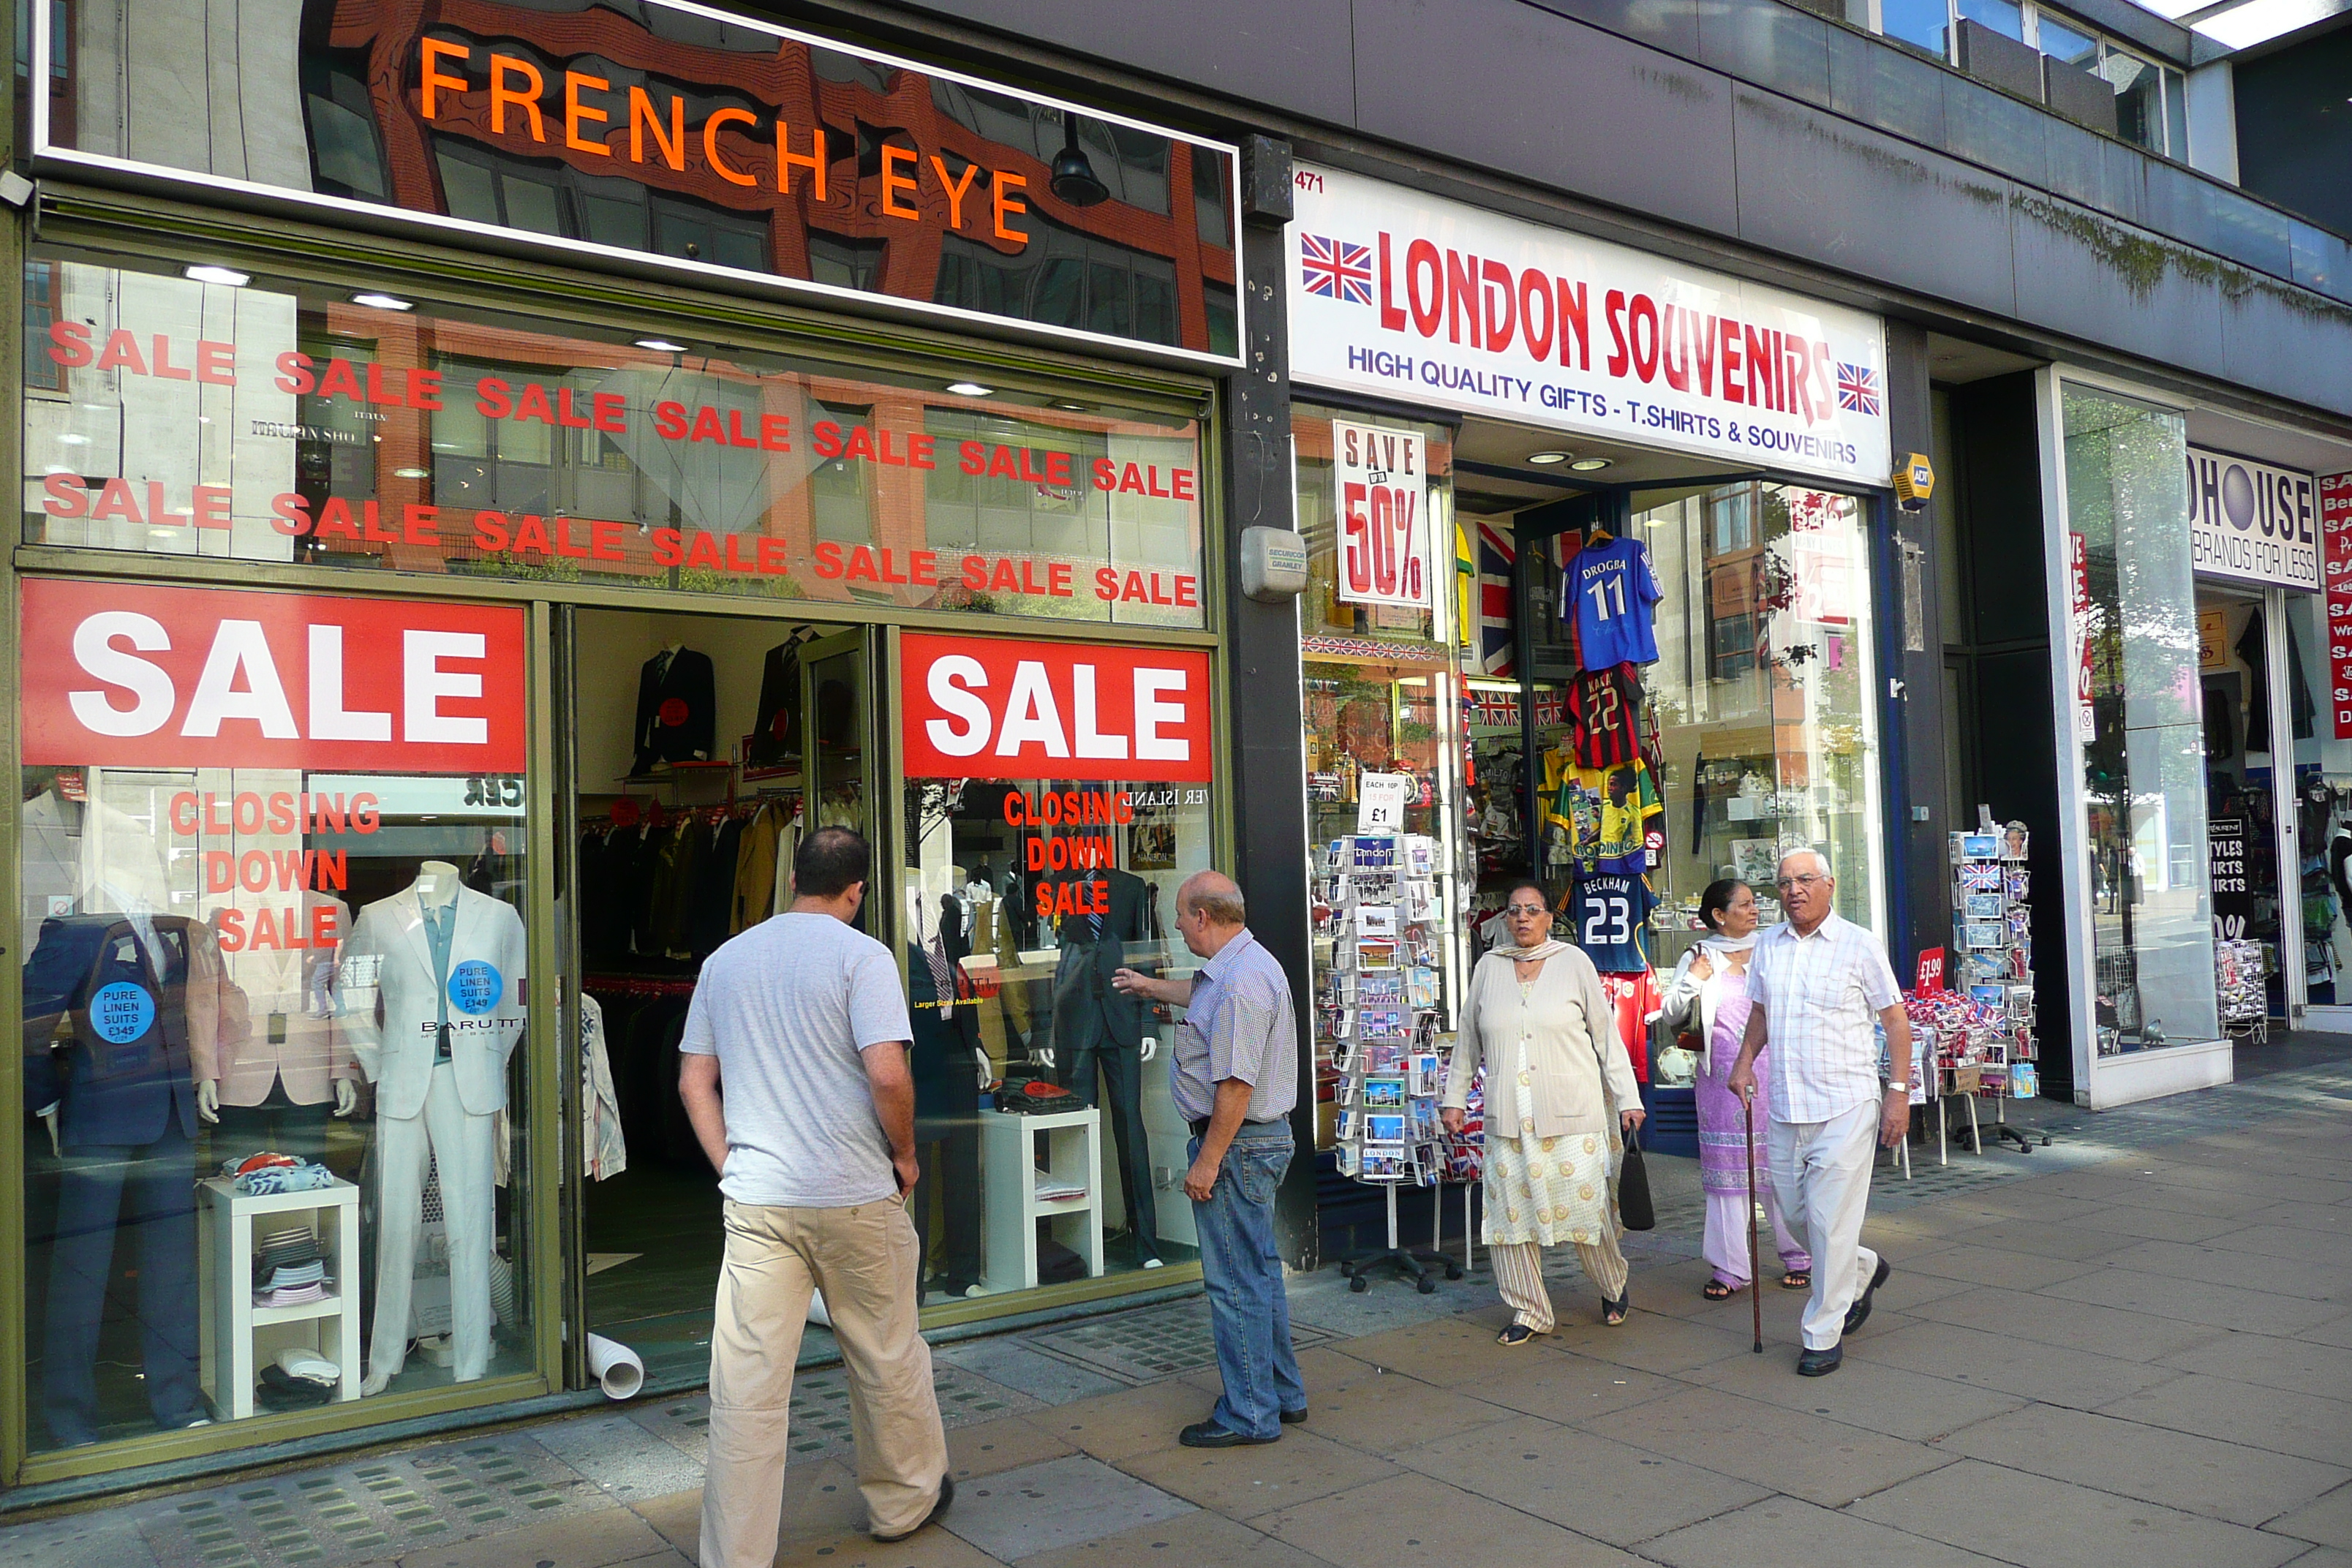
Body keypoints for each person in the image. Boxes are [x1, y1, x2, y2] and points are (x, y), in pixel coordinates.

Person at [679, 826, 954, 1566]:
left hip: (760, 1200)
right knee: (887, 1353)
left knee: (746, 1384)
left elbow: (694, 1082)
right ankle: (903, 1502)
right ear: (857, 888)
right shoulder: (862, 956)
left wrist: (729, 1164)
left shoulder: (726, 960)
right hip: (855, 1190)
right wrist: (903, 1153)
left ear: (795, 876)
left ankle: (734, 1551)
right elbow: (889, 1074)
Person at [1111, 870, 1303, 1447]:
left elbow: (1236, 1086)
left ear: (1203, 917)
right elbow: (1202, 999)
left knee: (1234, 1284)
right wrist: (1150, 988)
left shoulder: (1242, 982)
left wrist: (1206, 1162)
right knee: (1261, 1272)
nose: (1173, 924)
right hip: (1254, 1144)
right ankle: (1281, 1394)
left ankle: (1249, 1414)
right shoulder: (1240, 967)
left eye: (1179, 914)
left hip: (1238, 1146)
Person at [1726, 849, 1912, 1377]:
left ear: (1830, 885)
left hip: (1847, 1103)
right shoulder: (1767, 946)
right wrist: (1743, 1065)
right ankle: (1862, 1267)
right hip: (1786, 1105)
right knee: (1793, 1213)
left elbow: (1896, 1022)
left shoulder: (1859, 945)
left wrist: (1897, 1092)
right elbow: (1760, 1012)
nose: (1794, 890)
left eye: (1805, 880)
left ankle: (1822, 1333)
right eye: (1784, 882)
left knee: (1829, 1222)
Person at [1440, 878, 1644, 1344]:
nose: (1523, 918)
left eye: (1532, 910)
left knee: (1585, 1211)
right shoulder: (1489, 967)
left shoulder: (1573, 963)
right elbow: (1469, 1040)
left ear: (1550, 917)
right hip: (1509, 1116)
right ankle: (1529, 1310)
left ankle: (1612, 1282)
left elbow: (1606, 1036)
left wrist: (1629, 1098)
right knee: (1509, 1214)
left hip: (1572, 1112)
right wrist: (1454, 1097)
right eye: (1514, 911)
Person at [1659, 879, 1812, 1300]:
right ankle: (1730, 1267)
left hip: (1776, 1076)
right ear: (1719, 916)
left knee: (1781, 1168)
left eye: (1754, 902)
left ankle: (1800, 1255)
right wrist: (1692, 979)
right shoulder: (1699, 955)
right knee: (1727, 1179)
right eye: (1743, 905)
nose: (1754, 909)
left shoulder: (1776, 947)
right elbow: (1670, 1011)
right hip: (1720, 1081)